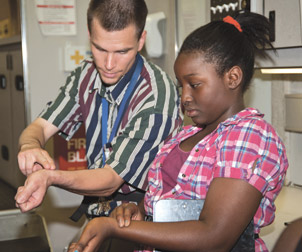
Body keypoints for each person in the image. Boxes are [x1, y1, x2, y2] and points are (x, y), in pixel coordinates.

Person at [68, 12, 289, 252]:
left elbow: (214, 237)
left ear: (233, 78)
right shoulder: (185, 135)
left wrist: (114, 227)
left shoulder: (249, 136)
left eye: (194, 85)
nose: (184, 97)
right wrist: (138, 212)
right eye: (180, 85)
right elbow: (169, 200)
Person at [15, 0, 181, 250]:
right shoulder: (85, 75)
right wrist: (30, 146)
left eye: (122, 51)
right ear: (89, 34)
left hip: (143, 217)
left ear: (141, 40)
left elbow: (111, 179)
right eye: (99, 48)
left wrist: (49, 177)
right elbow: (39, 127)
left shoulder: (157, 97)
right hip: (99, 210)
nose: (108, 64)